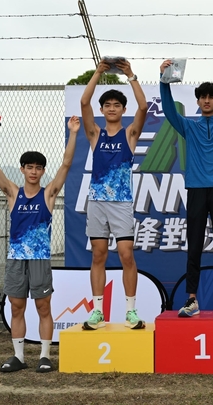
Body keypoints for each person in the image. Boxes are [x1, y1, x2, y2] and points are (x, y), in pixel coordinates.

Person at [0, 115, 80, 373]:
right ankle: (18, 356)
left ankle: (44, 356)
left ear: (43, 171)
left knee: (43, 306)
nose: (34, 171)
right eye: (29, 167)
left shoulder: (48, 194)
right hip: (16, 259)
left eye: (38, 168)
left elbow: (66, 164)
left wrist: (72, 133)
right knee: (17, 307)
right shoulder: (13, 193)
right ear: (23, 169)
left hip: (39, 259)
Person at [159, 60, 213, 318]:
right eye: (203, 97)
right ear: (198, 101)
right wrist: (164, 81)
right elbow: (169, 110)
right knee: (195, 245)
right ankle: (192, 300)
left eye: (211, 97)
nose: (207, 101)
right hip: (196, 190)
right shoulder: (189, 126)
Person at [80, 60, 148, 330]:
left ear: (123, 110)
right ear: (102, 110)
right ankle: (97, 311)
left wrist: (130, 75)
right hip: (97, 202)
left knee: (126, 254)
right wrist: (98, 72)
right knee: (98, 255)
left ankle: (131, 311)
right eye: (107, 105)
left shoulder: (129, 134)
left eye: (116, 105)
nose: (111, 108)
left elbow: (143, 107)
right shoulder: (95, 134)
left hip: (121, 203)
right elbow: (84, 103)